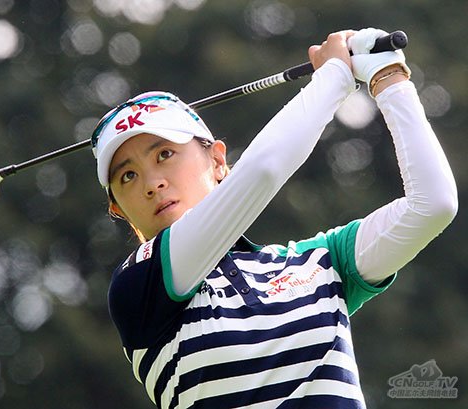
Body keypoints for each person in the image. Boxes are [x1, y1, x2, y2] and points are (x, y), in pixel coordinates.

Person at [90, 28, 458, 409]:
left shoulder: (319, 263)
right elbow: (264, 170)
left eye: (164, 154)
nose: (152, 183)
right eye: (128, 176)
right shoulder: (138, 287)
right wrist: (335, 76)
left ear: (218, 160)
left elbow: (433, 205)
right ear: (118, 209)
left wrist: (389, 78)